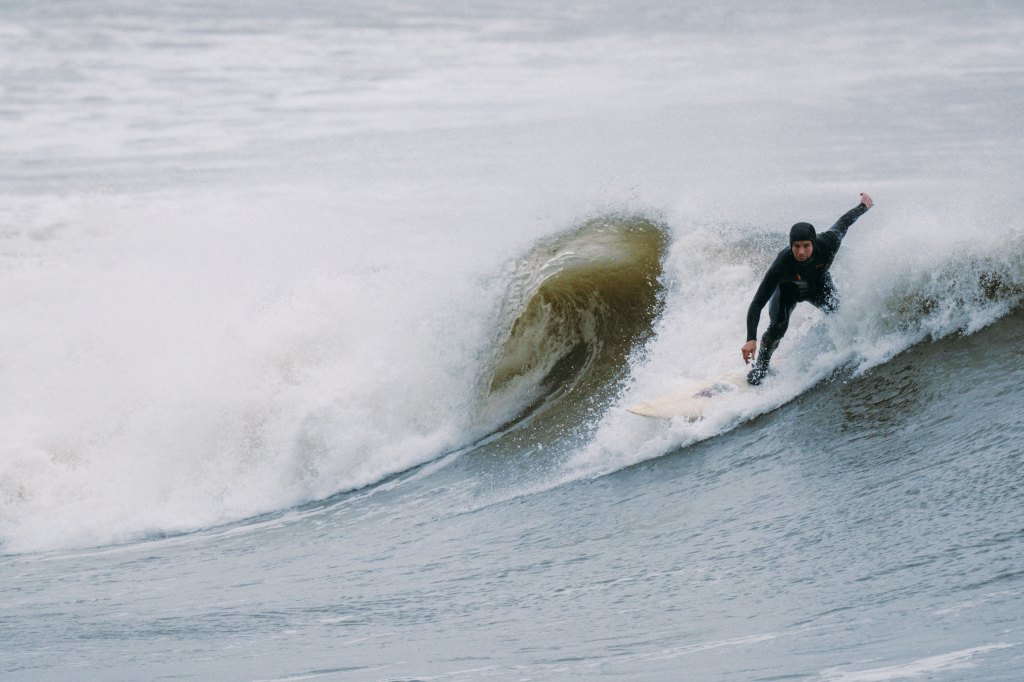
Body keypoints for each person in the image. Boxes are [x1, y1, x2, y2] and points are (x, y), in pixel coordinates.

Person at [741, 192, 874, 385]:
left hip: (819, 286)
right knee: (777, 328)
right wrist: (750, 338)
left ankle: (854, 350)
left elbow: (844, 223)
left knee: (840, 314)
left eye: (805, 246)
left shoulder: (828, 242)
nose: (801, 251)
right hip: (787, 292)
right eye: (796, 246)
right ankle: (761, 367)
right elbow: (757, 303)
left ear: (813, 242)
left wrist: (863, 206)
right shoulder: (781, 265)